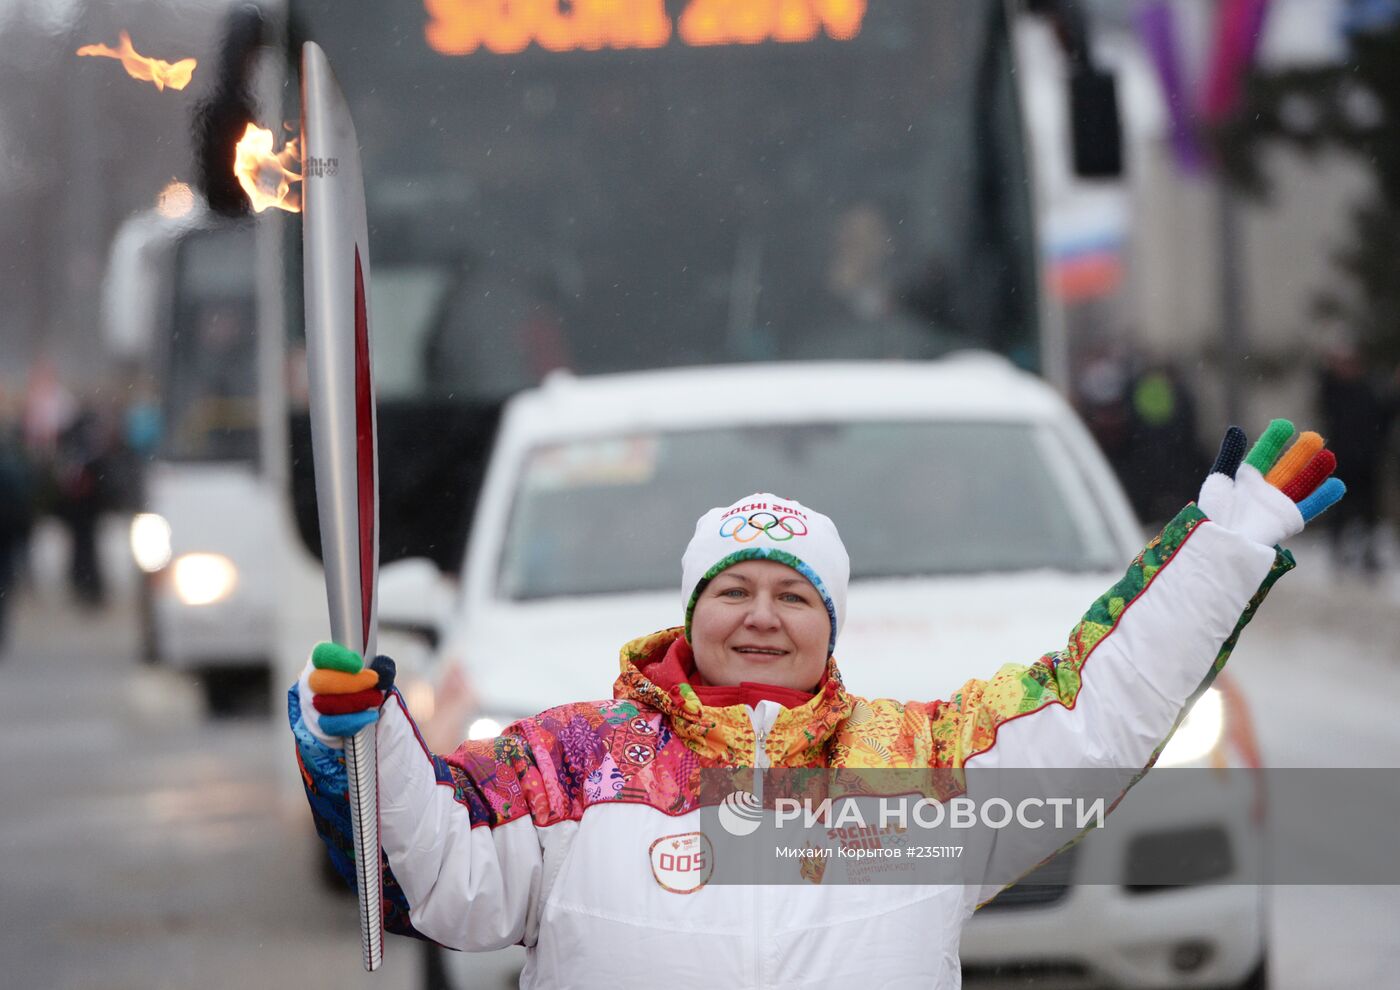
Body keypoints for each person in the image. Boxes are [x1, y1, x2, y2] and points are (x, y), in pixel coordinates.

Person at [289, 420, 1344, 988]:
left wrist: (1229, 543)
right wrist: (364, 734)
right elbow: (443, 874)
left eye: (792, 596)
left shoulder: (919, 761)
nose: (759, 616)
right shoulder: (571, 758)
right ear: (691, 610)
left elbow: (1095, 706)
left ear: (829, 626)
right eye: (733, 590)